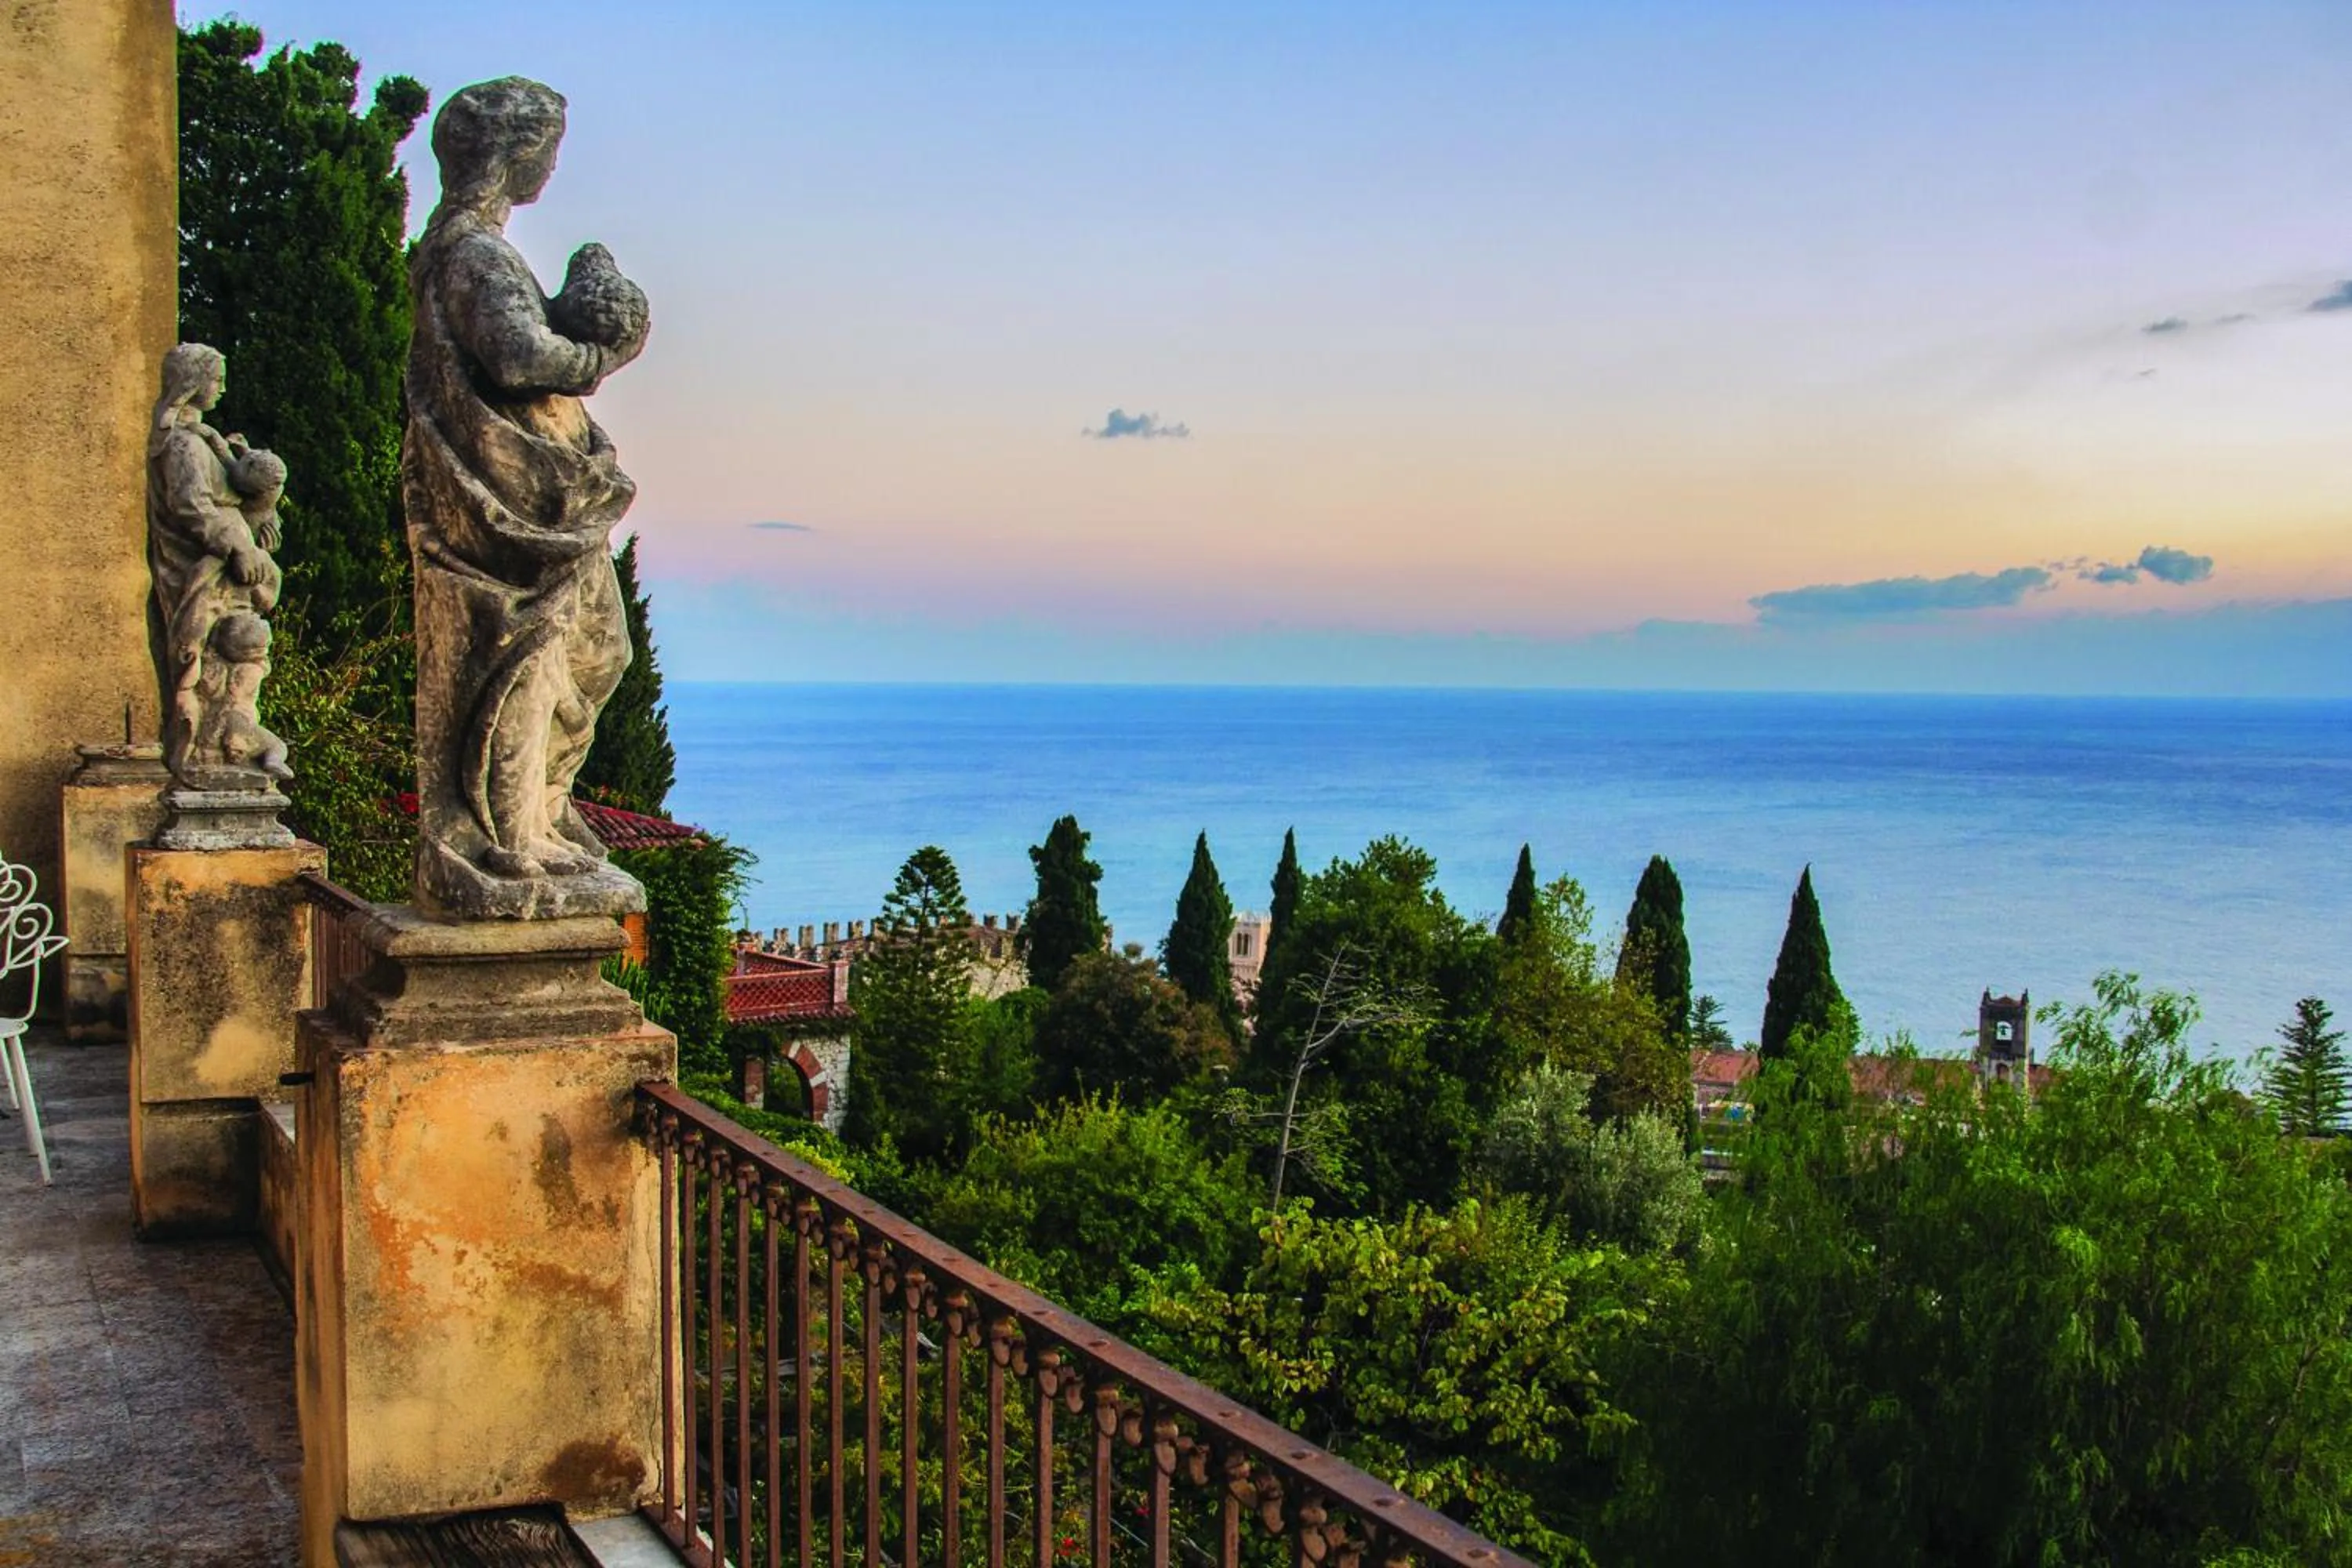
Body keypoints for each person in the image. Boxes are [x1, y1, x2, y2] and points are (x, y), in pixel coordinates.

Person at [403, 77, 651, 913]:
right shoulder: (473, 252)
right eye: (547, 145)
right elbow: (516, 359)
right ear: (518, 154)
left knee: (593, 652)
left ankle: (539, 812)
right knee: (531, 654)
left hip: (543, 499)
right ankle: (512, 837)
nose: (552, 162)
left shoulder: (466, 252)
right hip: (512, 512)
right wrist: (601, 357)